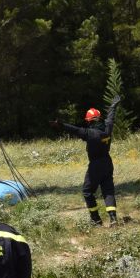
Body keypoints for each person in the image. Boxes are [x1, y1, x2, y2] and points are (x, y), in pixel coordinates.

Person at [56, 96, 121, 226]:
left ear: (89, 121)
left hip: (95, 165)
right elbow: (110, 119)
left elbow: (74, 129)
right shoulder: (107, 129)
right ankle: (113, 219)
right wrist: (113, 107)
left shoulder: (89, 133)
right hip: (107, 163)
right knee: (108, 191)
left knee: (87, 191)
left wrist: (62, 125)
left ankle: (96, 219)